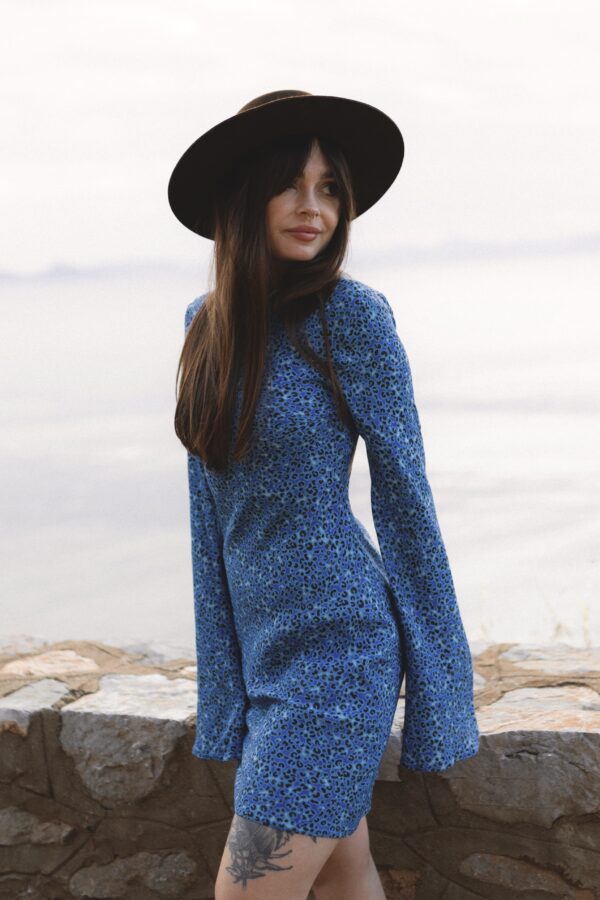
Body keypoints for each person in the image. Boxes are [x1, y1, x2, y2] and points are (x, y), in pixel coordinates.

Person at [170, 89, 480, 900]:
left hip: (340, 655)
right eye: (291, 184)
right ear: (245, 195)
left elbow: (406, 501)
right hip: (266, 654)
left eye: (330, 188)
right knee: (348, 873)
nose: (315, 208)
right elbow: (210, 518)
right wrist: (225, 688)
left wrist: (441, 687)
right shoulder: (206, 324)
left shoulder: (354, 319)